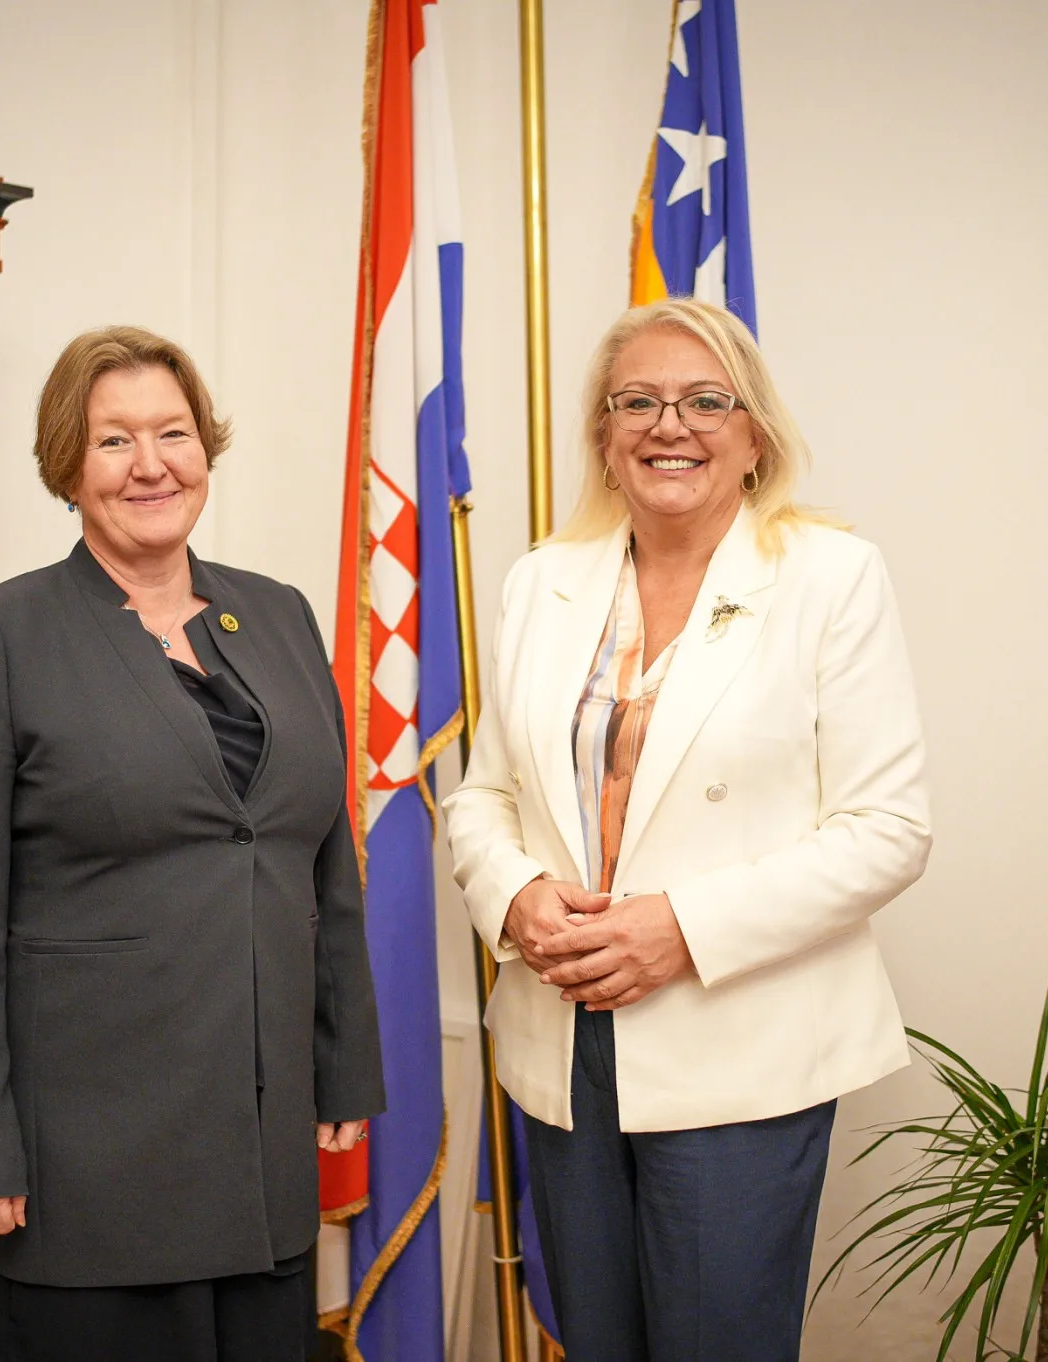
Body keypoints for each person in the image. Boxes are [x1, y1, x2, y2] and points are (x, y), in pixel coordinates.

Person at [443, 297, 931, 1361]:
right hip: (564, 1038)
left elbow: (887, 827)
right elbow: (482, 796)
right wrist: (515, 897)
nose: (671, 426)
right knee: (596, 1342)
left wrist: (681, 930)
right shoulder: (541, 580)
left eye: (707, 402)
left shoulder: (829, 577)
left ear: (755, 437)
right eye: (639, 403)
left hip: (737, 1043)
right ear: (604, 436)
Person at [0, 325, 386, 1362]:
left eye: (173, 433)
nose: (151, 464)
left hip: (257, 1149)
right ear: (68, 465)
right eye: (114, 440)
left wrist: (344, 1061)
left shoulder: (280, 616)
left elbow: (323, 861)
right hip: (85, 1169)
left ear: (204, 447)